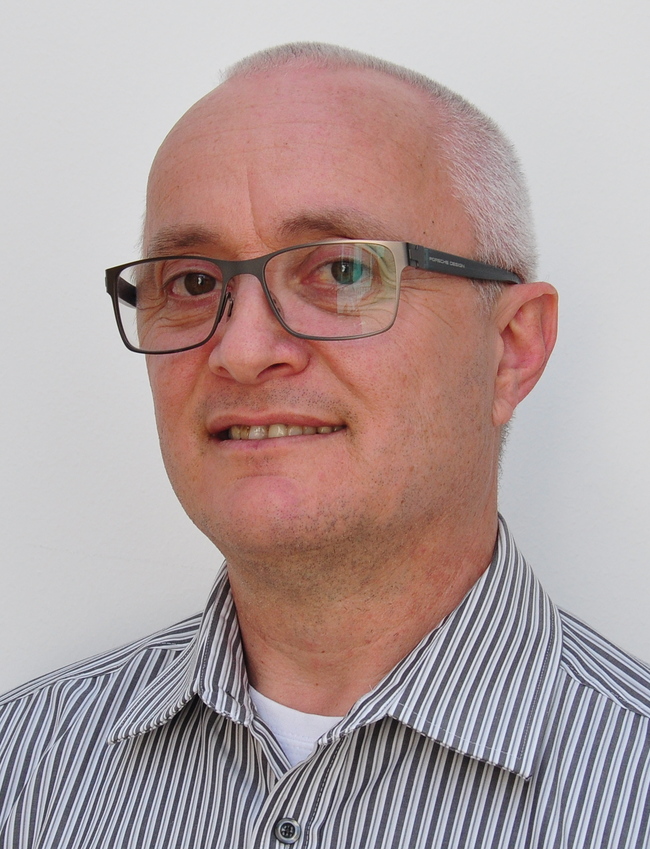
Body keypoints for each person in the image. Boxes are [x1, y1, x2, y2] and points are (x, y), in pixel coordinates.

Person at [1, 42, 649, 849]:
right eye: (193, 283)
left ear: (511, 349)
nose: (242, 350)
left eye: (342, 272)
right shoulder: (23, 771)